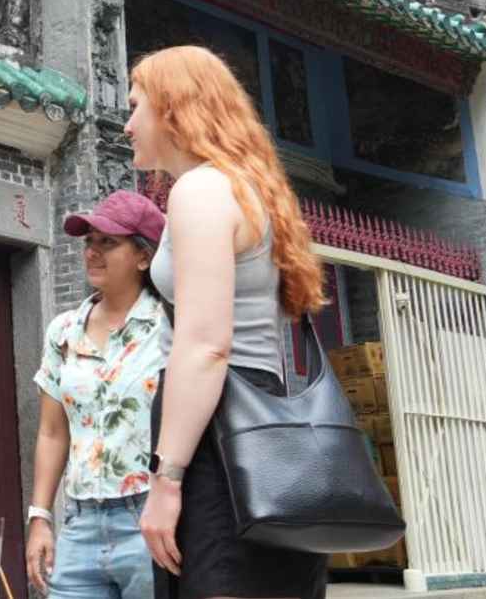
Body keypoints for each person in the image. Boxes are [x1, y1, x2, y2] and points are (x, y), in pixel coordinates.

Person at [127, 46, 329, 599]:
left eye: (135, 105)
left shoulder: (201, 191)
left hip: (219, 428)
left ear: (172, 108)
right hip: (262, 426)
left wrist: (167, 480)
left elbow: (206, 345)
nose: (127, 125)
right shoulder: (244, 188)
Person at [27, 190, 168, 599]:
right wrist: (40, 517)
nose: (92, 252)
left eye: (108, 242)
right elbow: (53, 432)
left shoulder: (169, 326)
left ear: (144, 257)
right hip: (80, 522)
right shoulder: (64, 331)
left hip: (149, 516)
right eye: (89, 241)